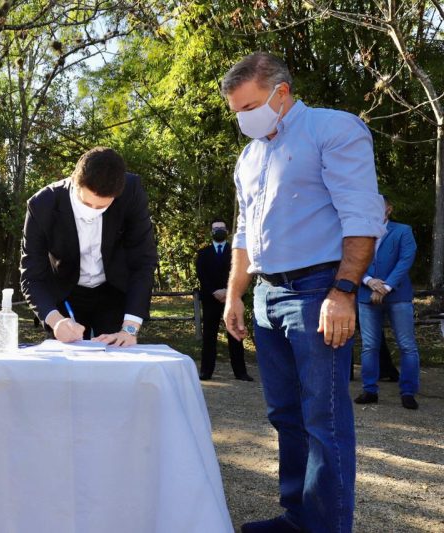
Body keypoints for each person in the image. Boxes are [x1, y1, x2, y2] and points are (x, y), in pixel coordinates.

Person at [221, 53, 385, 533]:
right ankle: (298, 517)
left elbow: (360, 214)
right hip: (267, 295)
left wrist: (344, 290)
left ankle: (328, 527)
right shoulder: (250, 157)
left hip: (318, 289)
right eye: (237, 112)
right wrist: (236, 294)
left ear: (282, 92)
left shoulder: (333, 130)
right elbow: (244, 232)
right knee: (285, 416)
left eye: (249, 106)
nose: (243, 118)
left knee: (324, 419)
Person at [20, 146, 157, 346]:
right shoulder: (42, 204)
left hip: (114, 291)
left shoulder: (132, 192)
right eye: (86, 203)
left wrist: (129, 329)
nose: (92, 212)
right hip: (66, 294)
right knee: (67, 369)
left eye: (102, 207)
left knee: (116, 362)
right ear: (75, 182)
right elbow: (31, 275)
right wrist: (55, 321)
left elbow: (143, 261)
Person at [354, 197, 420, 409]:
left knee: (407, 346)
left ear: (388, 209)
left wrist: (386, 287)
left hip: (398, 296)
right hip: (366, 294)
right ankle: (369, 390)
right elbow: (352, 260)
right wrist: (369, 281)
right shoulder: (359, 233)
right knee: (369, 346)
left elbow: (405, 260)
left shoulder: (403, 230)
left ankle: (408, 392)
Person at [195, 219, 252, 381]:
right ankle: (206, 371)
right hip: (211, 298)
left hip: (232, 298)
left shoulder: (236, 253)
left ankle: (240, 372)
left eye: (221, 228)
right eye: (215, 228)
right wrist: (214, 291)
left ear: (227, 231)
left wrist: (229, 291)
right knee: (209, 336)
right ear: (210, 232)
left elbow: (241, 271)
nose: (218, 230)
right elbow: (201, 275)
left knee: (235, 334)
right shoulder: (203, 253)